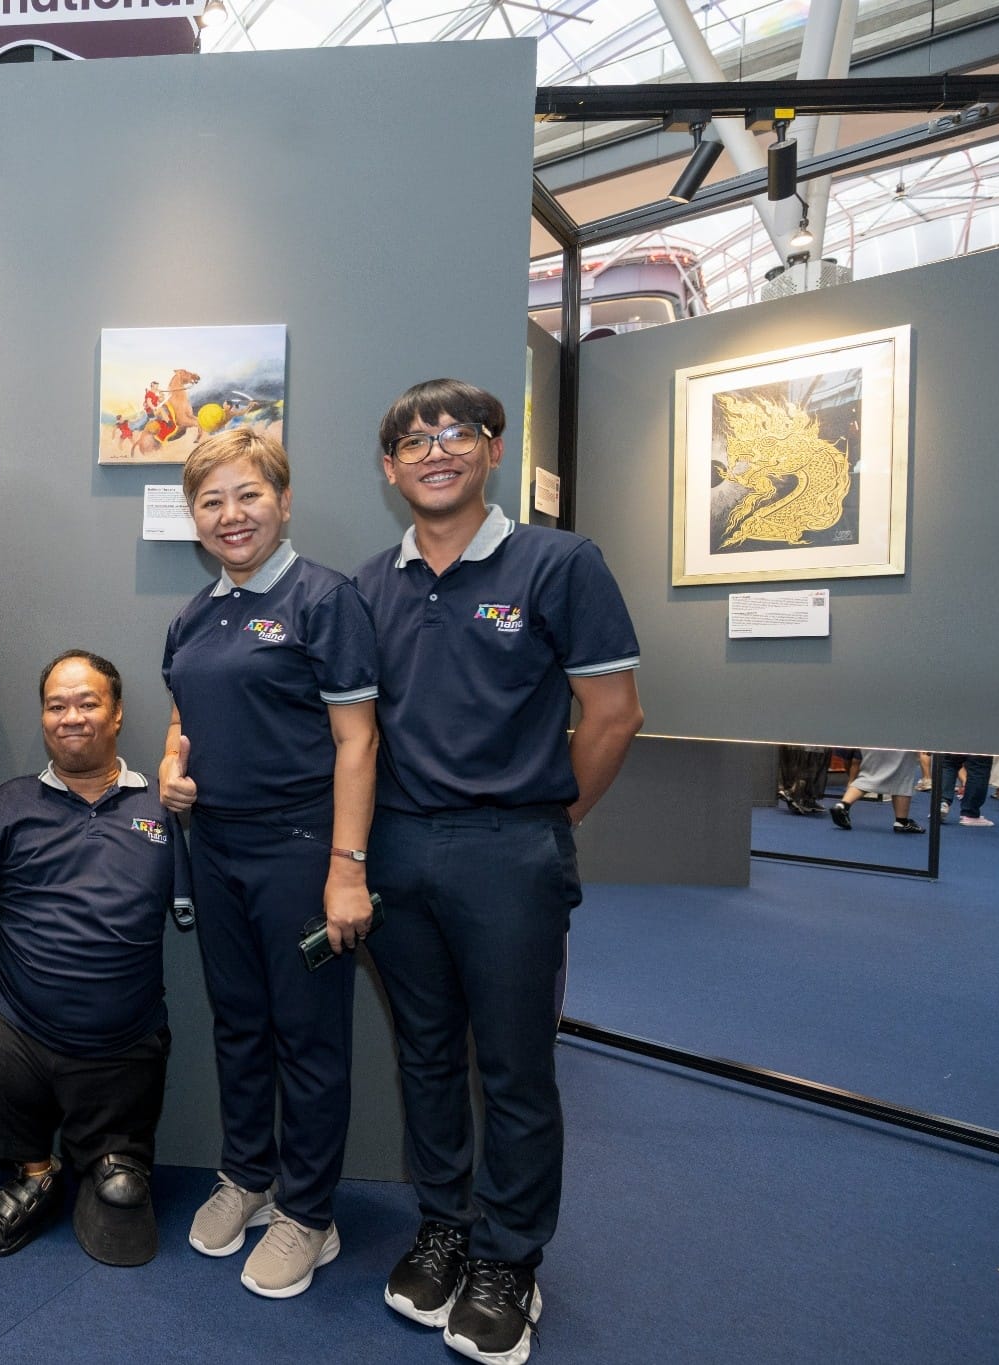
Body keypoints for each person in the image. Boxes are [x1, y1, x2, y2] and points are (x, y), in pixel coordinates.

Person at [353, 379, 642, 1365]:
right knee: (425, 1058)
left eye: (455, 432)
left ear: (491, 449)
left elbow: (611, 717)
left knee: (512, 1068)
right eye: (410, 440)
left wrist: (544, 821)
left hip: (507, 852)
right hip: (395, 849)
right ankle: (444, 1224)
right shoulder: (368, 585)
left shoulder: (558, 563)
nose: (434, 449)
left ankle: (510, 1257)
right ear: (388, 470)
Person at [158, 428, 380, 1301]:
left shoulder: (324, 599)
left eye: (247, 494)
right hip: (214, 847)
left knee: (310, 1035)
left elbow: (357, 742)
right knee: (239, 1021)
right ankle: (247, 1175)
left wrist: (347, 868)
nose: (230, 514)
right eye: (211, 501)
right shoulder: (193, 613)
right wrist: (174, 770)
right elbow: (184, 717)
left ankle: (308, 1212)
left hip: (300, 852)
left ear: (283, 500)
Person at [0, 650, 190, 1267]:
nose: (71, 717)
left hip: (124, 1038)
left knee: (123, 1210)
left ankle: (108, 1162)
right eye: (56, 705)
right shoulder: (10, 803)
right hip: (17, 1026)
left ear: (116, 714)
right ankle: (35, 1169)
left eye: (87, 703)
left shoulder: (163, 810)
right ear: (41, 719)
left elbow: (185, 908)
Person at [829, 748, 924, 833]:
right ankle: (902, 822)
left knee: (867, 775)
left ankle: (842, 805)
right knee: (903, 775)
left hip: (873, 740)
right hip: (901, 741)